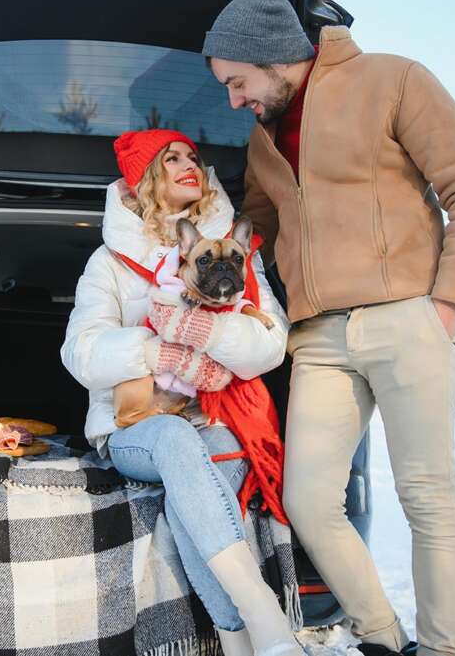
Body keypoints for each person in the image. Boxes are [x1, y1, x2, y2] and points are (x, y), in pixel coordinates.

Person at [201, 0, 455, 656]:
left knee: (427, 496)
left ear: (273, 56)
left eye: (237, 81)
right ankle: (381, 636)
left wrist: (448, 301)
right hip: (319, 339)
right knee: (309, 502)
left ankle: (443, 648)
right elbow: (257, 227)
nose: (233, 100)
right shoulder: (262, 142)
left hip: (408, 317)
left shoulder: (392, 80)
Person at [60, 129, 300, 656]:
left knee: (196, 496)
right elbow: (78, 354)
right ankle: (266, 617)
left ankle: (238, 644)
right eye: (172, 159)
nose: (190, 164)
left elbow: (271, 344)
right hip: (134, 428)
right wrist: (154, 353)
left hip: (215, 418)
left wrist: (207, 334)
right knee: (172, 438)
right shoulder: (110, 264)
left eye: (194, 156)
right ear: (146, 176)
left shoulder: (236, 252)